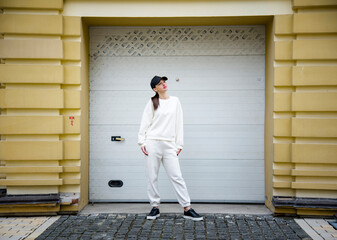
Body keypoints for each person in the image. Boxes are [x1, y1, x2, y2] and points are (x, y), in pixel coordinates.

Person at [138, 75, 203, 221]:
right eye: (160, 84)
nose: (164, 85)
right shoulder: (152, 102)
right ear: (155, 89)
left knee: (176, 176)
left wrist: (179, 144)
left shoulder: (175, 101)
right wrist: (142, 142)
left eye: (164, 82)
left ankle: (187, 208)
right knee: (152, 176)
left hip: (169, 144)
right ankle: (155, 207)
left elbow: (179, 123)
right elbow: (145, 122)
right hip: (152, 142)